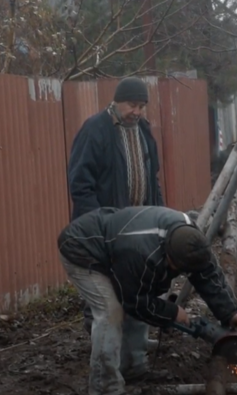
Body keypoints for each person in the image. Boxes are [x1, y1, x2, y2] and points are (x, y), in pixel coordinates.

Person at [58, 206, 237, 395]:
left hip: (115, 245)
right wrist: (172, 312)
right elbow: (135, 302)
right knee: (111, 312)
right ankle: (105, 390)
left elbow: (207, 275)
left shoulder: (193, 241)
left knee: (141, 293)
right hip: (82, 248)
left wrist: (231, 312)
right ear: (168, 254)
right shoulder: (140, 252)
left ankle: (133, 368)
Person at [66, 77, 166, 334]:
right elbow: (80, 184)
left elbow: (153, 178)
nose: (137, 112)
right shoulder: (95, 129)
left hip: (137, 229)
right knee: (104, 296)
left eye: (142, 106)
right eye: (132, 105)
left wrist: (159, 215)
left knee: (133, 289)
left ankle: (133, 351)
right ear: (116, 102)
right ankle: (102, 350)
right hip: (105, 232)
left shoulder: (143, 129)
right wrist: (101, 225)